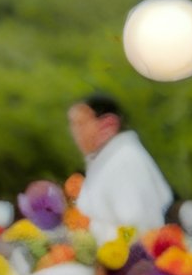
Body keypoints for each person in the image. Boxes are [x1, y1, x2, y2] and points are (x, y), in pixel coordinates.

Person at [67, 91, 174, 233]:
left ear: (108, 125)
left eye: (81, 123)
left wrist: (108, 249)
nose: (75, 132)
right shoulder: (110, 160)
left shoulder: (125, 161)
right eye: (73, 125)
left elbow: (137, 228)